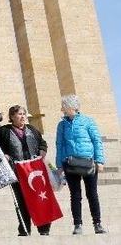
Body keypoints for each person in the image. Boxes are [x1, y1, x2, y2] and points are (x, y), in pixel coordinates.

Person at [0, 105, 50, 236]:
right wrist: (5, 155)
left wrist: (42, 153)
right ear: (12, 117)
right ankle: (24, 229)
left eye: (23, 114)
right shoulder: (4, 131)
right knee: (21, 201)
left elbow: (42, 143)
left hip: (34, 171)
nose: (22, 117)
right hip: (17, 171)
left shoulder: (32, 129)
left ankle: (44, 228)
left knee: (39, 199)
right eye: (19, 114)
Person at [56, 95, 106, 235]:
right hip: (70, 163)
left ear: (72, 107)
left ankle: (97, 223)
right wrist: (59, 164)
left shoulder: (88, 121)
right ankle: (78, 224)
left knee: (92, 194)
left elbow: (97, 141)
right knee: (75, 195)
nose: (62, 109)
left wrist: (100, 161)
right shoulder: (62, 124)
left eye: (64, 106)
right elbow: (59, 145)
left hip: (88, 162)